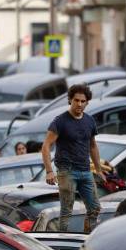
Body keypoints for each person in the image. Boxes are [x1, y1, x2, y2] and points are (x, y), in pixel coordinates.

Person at [41, 83, 105, 232]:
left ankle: (87, 240)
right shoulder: (60, 121)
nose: (79, 104)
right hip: (67, 171)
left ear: (87, 102)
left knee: (95, 208)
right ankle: (62, 246)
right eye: (76, 100)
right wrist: (49, 171)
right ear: (70, 100)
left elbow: (93, 146)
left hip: (85, 170)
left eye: (83, 101)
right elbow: (46, 146)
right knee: (66, 212)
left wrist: (99, 169)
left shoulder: (89, 121)